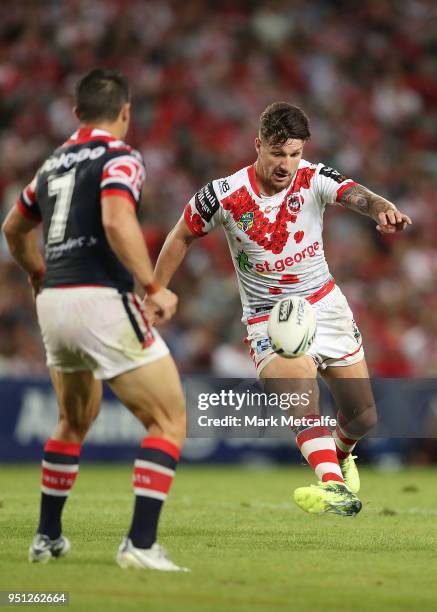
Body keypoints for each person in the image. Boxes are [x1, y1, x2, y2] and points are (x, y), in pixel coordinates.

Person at [150, 101, 412, 517]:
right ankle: (333, 487)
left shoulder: (313, 178)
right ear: (258, 145)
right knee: (299, 392)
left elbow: (356, 194)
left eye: (294, 153)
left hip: (325, 306)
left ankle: (341, 455)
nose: (286, 164)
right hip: (269, 315)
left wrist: (381, 208)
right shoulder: (224, 195)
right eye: (277, 153)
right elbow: (181, 235)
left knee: (362, 417)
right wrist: (155, 289)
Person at [1, 69, 188, 571]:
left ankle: (47, 537)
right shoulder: (120, 156)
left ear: (77, 112)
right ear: (125, 112)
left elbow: (14, 228)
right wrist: (153, 286)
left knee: (73, 420)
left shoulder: (52, 163)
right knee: (168, 420)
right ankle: (140, 544)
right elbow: (115, 218)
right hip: (99, 299)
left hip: (54, 302)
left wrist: (38, 271)